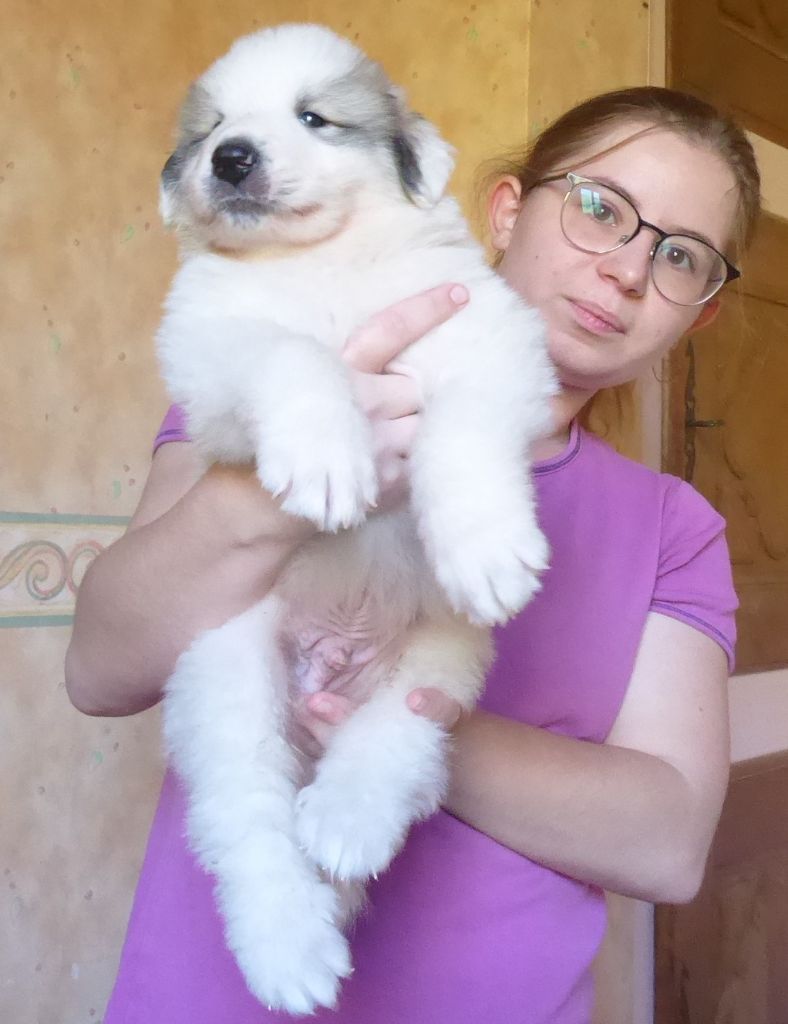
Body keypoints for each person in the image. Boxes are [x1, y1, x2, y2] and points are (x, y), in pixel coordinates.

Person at [65, 86, 761, 1023]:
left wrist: (399, 730)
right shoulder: (282, 372)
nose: (630, 271)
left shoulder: (672, 525)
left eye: (680, 256)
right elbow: (100, 671)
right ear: (507, 211)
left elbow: (667, 846)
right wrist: (291, 473)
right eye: (601, 208)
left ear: (698, 314)